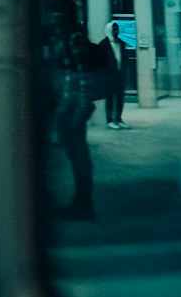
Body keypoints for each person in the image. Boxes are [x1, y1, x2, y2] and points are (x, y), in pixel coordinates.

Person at [51, 31, 98, 220]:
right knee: (76, 157)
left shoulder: (74, 40)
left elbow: (83, 75)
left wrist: (80, 111)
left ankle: (84, 204)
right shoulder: (64, 40)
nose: (56, 24)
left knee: (79, 158)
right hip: (69, 107)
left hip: (74, 109)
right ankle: (81, 203)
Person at [94, 21, 129, 129]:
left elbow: (124, 59)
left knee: (120, 98)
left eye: (117, 29)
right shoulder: (103, 45)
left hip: (120, 75)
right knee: (109, 98)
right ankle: (109, 120)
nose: (116, 31)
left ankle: (118, 118)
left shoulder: (121, 43)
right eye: (113, 29)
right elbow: (99, 62)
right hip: (108, 76)